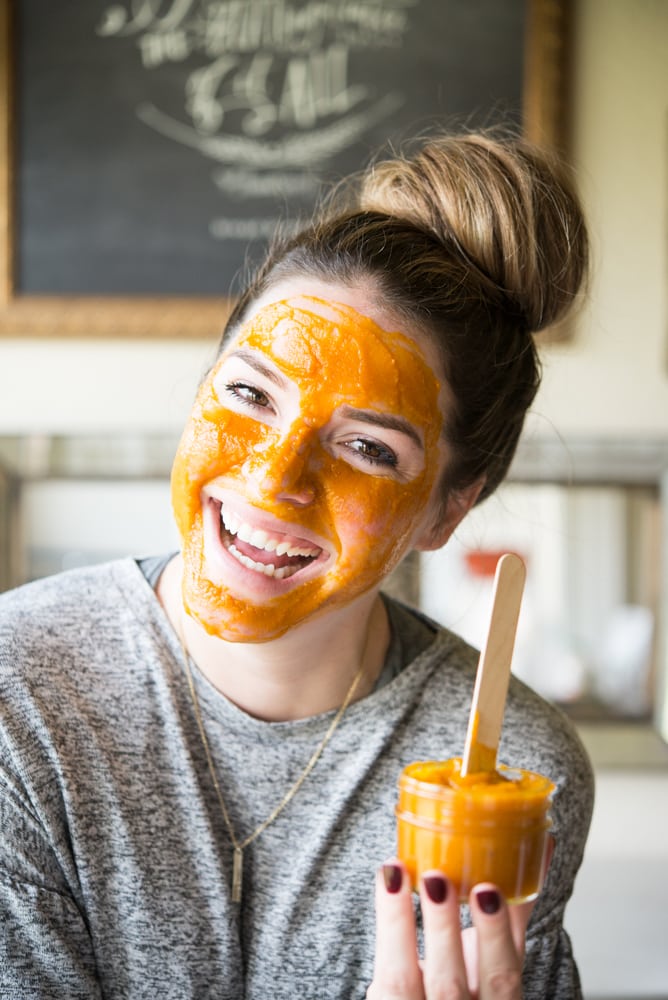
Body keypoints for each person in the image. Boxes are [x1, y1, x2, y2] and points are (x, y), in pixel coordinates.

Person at [0, 129, 593, 999]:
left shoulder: (515, 771)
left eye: (367, 447)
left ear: (447, 510)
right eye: (249, 393)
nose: (273, 482)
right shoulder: (18, 700)